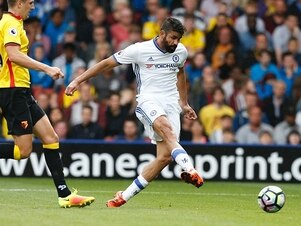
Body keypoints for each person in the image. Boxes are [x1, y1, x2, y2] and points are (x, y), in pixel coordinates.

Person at [65, 17, 204, 208]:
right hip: (148, 100)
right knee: (168, 131)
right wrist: (78, 81)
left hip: (171, 103)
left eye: (178, 39)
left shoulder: (180, 52)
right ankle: (190, 169)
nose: (176, 42)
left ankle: (124, 196)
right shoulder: (139, 50)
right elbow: (106, 63)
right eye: (173, 37)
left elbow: (180, 73)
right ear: (161, 33)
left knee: (164, 157)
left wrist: (185, 103)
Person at [0, 0, 94, 207]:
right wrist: (47, 68)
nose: (33, 7)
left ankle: (65, 195)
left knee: (51, 138)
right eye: (31, 3)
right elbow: (14, 56)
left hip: (21, 90)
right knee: (23, 151)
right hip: (12, 91)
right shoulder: (10, 23)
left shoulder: (11, 22)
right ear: (20, 3)